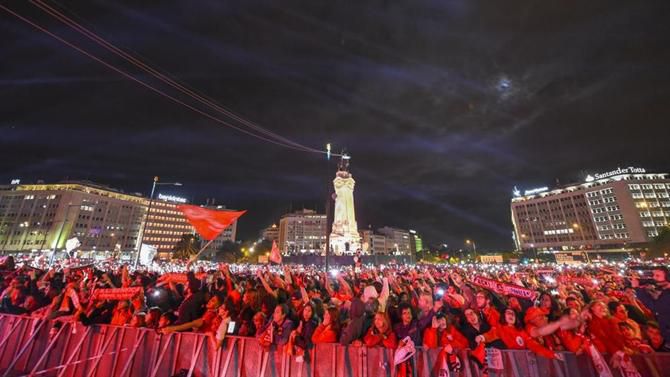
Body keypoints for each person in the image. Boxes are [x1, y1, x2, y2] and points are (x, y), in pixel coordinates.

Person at [478, 308, 562, 360]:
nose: (511, 314)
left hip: (522, 364)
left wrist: (551, 354)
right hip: (508, 365)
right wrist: (482, 337)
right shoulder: (500, 328)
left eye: (513, 314)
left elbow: (534, 345)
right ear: (503, 316)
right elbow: (491, 334)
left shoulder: (521, 332)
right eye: (508, 313)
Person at [632, 267, 670, 342]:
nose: (654, 278)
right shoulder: (665, 292)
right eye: (653, 275)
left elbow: (654, 307)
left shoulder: (667, 295)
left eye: (657, 276)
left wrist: (637, 289)